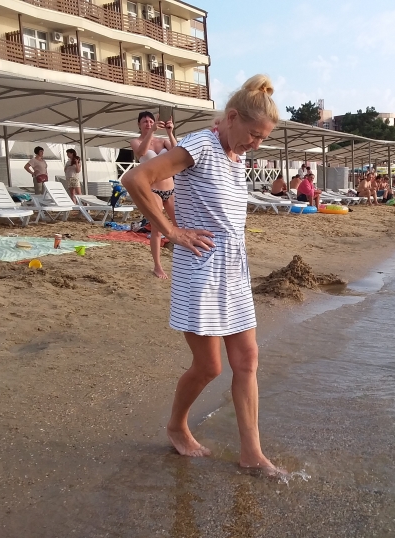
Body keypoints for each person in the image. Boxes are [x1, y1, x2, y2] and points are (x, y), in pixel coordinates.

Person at [121, 74, 284, 476]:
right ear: (231, 117)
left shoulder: (237, 155)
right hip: (202, 270)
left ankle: (252, 454)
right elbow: (135, 179)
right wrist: (171, 231)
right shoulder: (201, 144)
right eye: (253, 134)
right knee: (210, 367)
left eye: (263, 138)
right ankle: (177, 425)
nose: (256, 144)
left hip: (234, 270)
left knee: (247, 359)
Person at [130, 110, 178, 279]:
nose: (148, 124)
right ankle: (157, 266)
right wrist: (151, 133)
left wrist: (170, 132)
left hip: (170, 188)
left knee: (179, 225)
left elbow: (177, 152)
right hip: (153, 190)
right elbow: (141, 153)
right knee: (157, 230)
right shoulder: (136, 141)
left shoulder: (163, 141)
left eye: (151, 121)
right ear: (139, 124)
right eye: (145, 122)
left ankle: (183, 259)